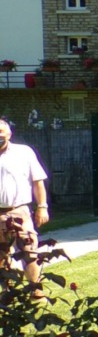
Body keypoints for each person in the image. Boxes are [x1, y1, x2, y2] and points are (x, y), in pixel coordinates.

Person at [0, 119, 50, 291]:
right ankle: (7, 294)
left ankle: (36, 292)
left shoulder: (24, 152)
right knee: (1, 255)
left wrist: (42, 206)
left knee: (29, 251)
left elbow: (38, 182)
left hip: (20, 210)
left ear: (9, 133)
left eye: (1, 131)